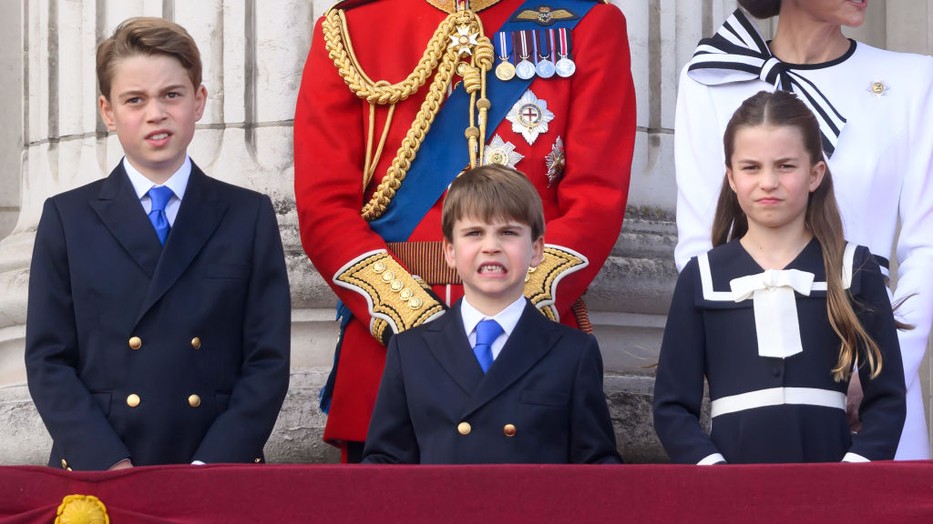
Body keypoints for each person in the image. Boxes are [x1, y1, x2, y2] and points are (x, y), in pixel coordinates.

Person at [293, 0, 635, 461]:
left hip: (529, 350)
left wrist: (513, 312)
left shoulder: (587, 22)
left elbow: (596, 200)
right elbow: (324, 208)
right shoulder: (351, 30)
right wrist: (419, 329)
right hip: (390, 345)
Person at [24, 17, 291, 471]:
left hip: (214, 469)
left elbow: (266, 360)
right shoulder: (67, 218)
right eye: (135, 100)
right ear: (108, 112)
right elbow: (49, 360)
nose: (156, 113)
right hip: (102, 470)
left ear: (199, 100)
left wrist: (214, 465)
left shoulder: (248, 216)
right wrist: (105, 462)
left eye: (172, 94)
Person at [673, 0, 933, 460]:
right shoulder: (711, 77)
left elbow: (928, 243)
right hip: (754, 393)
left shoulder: (916, 80)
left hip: (875, 358)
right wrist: (739, 370)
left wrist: (882, 365)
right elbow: (699, 244)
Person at [654, 90, 906, 464]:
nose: (768, 181)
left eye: (786, 166)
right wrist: (713, 472)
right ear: (732, 177)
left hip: (833, 490)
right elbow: (672, 408)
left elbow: (886, 399)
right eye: (751, 167)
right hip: (731, 493)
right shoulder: (702, 276)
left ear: (815, 173)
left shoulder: (855, 269)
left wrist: (855, 473)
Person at [362, 165, 621, 464]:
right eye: (474, 233)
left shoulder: (573, 353)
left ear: (536, 249)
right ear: (450, 252)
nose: (491, 247)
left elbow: (598, 469)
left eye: (508, 233)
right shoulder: (410, 351)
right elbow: (385, 466)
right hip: (438, 511)